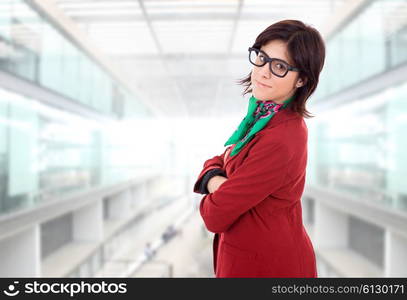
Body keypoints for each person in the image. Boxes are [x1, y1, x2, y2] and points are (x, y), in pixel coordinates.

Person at [193, 19, 325, 278]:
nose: (263, 72)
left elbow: (215, 215)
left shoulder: (282, 138)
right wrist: (217, 179)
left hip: (269, 266)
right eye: (262, 58)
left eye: (279, 67)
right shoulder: (265, 116)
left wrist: (216, 182)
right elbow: (220, 159)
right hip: (252, 257)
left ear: (302, 80)